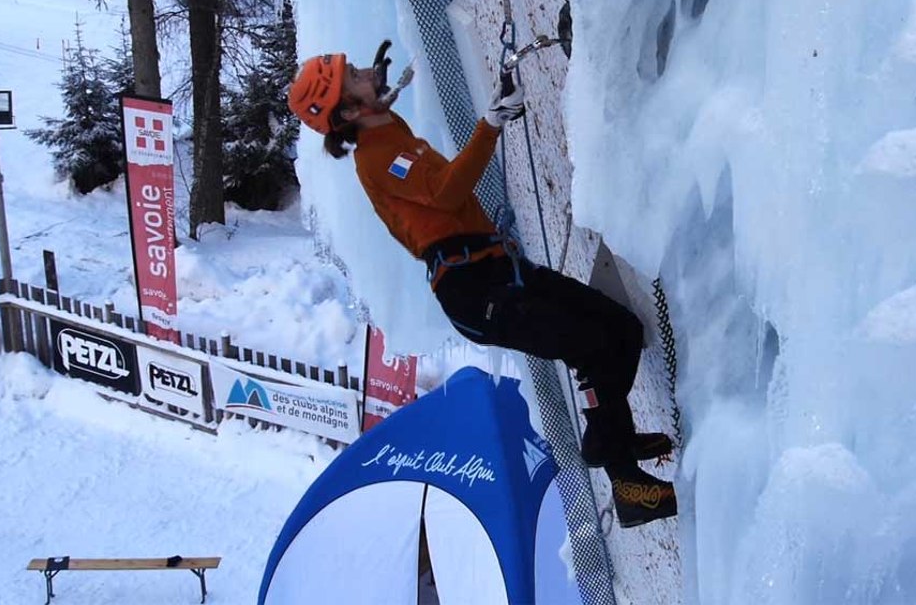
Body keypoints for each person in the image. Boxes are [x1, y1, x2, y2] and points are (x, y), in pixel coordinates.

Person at [287, 51, 677, 528]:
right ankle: (626, 480)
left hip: (494, 269)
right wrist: (490, 123)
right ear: (348, 111)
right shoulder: (375, 154)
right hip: (473, 291)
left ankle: (611, 437)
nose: (364, 71)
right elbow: (448, 191)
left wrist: (382, 96)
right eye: (353, 77)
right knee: (592, 344)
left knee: (621, 328)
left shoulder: (386, 134)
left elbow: (429, 186)